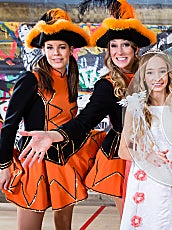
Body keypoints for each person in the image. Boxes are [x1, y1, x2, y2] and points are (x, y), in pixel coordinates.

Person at [16, 0, 156, 217]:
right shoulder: (107, 85)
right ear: (108, 50)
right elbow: (85, 121)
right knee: (134, 218)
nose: (120, 51)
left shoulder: (152, 77)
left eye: (125, 44)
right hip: (123, 155)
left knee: (160, 214)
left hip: (158, 150)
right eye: (114, 45)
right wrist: (54, 135)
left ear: (136, 48)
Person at [0, 8, 104, 230]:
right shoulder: (31, 80)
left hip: (64, 161)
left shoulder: (71, 80)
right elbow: (9, 125)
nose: (56, 53)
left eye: (61, 47)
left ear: (70, 50)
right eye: (50, 48)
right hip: (33, 162)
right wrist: (4, 165)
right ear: (43, 50)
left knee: (64, 226)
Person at [118, 50, 172, 229]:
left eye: (162, 71)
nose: (157, 77)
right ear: (142, 76)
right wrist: (146, 155)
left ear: (169, 73)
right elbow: (123, 150)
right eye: (150, 72)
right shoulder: (134, 107)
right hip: (146, 180)